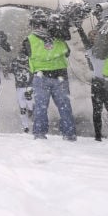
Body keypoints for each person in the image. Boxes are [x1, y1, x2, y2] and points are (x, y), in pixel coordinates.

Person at [22, 9, 77, 141]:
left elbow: (27, 54)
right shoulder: (59, 38)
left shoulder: (28, 40)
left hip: (40, 77)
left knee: (40, 107)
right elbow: (67, 52)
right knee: (64, 107)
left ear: (33, 24)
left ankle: (39, 134)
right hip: (60, 76)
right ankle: (69, 134)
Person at [10, 52, 34, 133]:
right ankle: (25, 126)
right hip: (19, 88)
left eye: (24, 62)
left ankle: (31, 111)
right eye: (21, 62)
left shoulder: (31, 65)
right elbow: (8, 71)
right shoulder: (15, 66)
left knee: (29, 100)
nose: (23, 63)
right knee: (22, 108)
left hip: (29, 86)